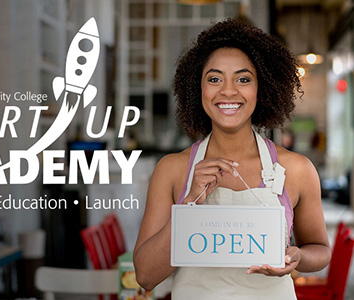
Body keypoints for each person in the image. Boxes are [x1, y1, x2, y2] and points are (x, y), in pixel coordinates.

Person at [133, 18, 331, 299]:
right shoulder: (172, 170)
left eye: (243, 79)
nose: (228, 90)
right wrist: (188, 205)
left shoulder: (296, 170)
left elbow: (320, 250)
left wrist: (297, 257)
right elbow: (146, 276)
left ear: (261, 88)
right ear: (197, 89)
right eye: (214, 79)